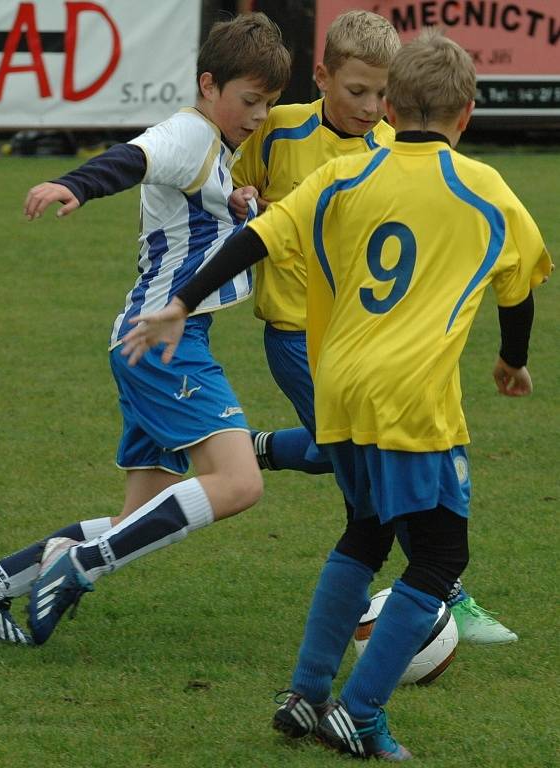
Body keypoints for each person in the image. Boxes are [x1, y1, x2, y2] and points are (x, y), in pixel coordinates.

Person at [117, 28, 552, 760]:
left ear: (394, 102)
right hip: (412, 398)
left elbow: (260, 237)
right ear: (467, 114)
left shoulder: (348, 173)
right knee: (441, 559)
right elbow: (522, 283)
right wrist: (512, 362)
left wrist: (183, 300)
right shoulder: (485, 188)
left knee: (365, 531)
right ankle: (360, 713)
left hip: (338, 387)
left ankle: (305, 692)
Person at [0, 12, 291, 645]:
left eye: (268, 104)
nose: (259, 115)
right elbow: (134, 158)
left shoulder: (216, 148)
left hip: (150, 339)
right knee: (238, 482)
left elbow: (195, 206)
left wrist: (237, 203)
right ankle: (74, 564)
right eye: (250, 100)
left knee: (136, 518)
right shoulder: (189, 131)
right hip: (164, 344)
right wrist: (74, 184)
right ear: (209, 85)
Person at [231, 9, 517, 645]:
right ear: (322, 77)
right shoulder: (278, 130)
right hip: (296, 337)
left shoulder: (395, 151)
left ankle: (257, 450)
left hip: (373, 343)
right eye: (357, 90)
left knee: (363, 462)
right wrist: (240, 197)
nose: (370, 106)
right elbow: (237, 179)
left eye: (383, 94)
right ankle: (443, 592)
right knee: (376, 475)